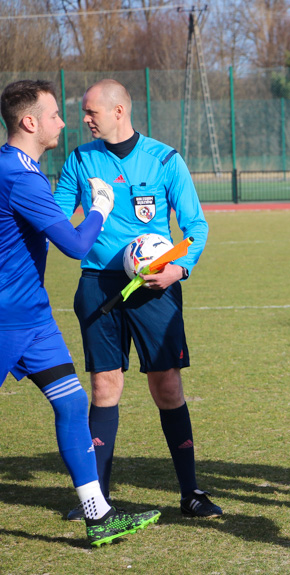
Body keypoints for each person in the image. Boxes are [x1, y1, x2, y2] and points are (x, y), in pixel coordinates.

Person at [0, 79, 161, 546]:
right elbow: (74, 245)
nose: (63, 122)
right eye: (54, 115)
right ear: (30, 122)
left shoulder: (23, 170)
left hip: (35, 319)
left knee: (71, 403)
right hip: (7, 320)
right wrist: (102, 208)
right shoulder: (19, 176)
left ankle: (98, 514)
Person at [53, 79, 219, 520]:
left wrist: (179, 268)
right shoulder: (79, 159)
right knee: (104, 386)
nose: (84, 119)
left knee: (167, 386)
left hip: (156, 288)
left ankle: (191, 492)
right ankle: (96, 498)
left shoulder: (165, 159)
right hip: (97, 285)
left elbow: (196, 226)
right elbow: (56, 217)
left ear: (119, 111)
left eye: (91, 112)